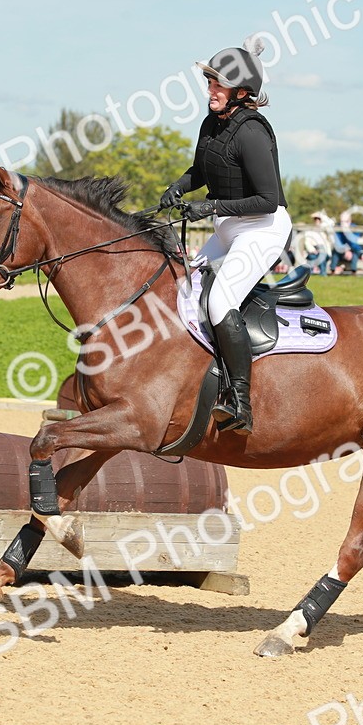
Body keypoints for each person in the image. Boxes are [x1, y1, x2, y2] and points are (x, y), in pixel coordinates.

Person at [158, 42, 290, 436]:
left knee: (219, 299)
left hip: (263, 229)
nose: (210, 88)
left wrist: (210, 208)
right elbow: (202, 169)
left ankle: (240, 402)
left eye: (218, 83)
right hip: (230, 225)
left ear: (242, 92)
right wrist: (179, 187)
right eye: (210, 80)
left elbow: (267, 200)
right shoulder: (211, 123)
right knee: (183, 289)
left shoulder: (251, 132)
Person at [331, 210, 363, 275]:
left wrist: (349, 250)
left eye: (345, 221)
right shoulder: (337, 229)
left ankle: (353, 272)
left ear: (350, 221)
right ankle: (332, 271)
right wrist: (345, 250)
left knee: (355, 253)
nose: (343, 224)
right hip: (341, 250)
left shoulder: (355, 228)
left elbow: (356, 244)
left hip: (353, 250)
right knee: (335, 252)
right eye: (341, 221)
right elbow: (337, 243)